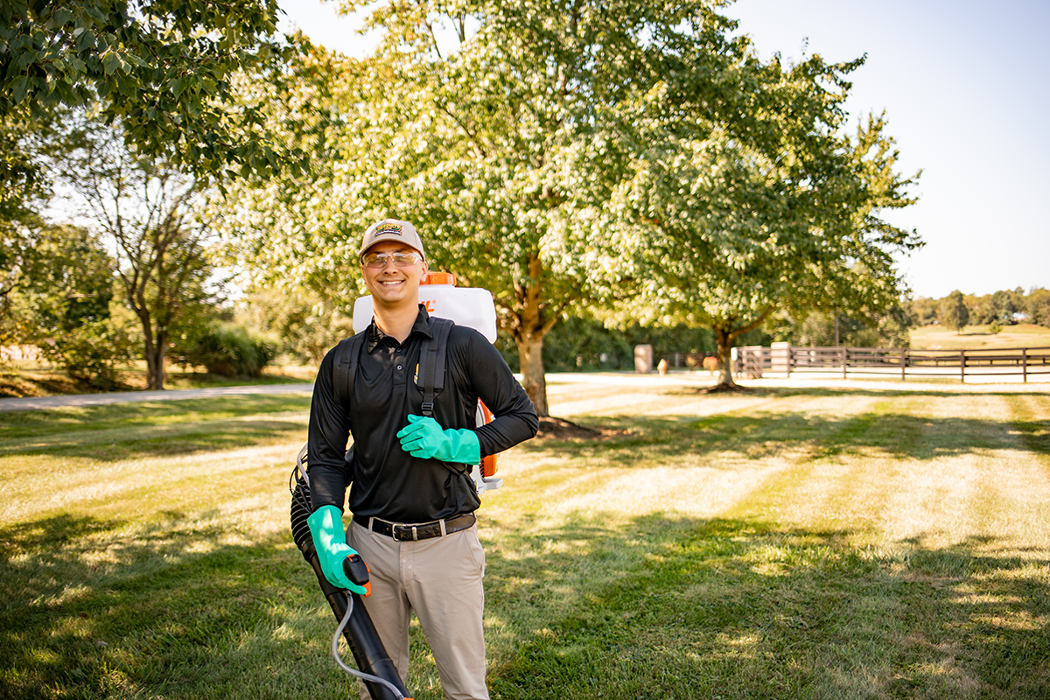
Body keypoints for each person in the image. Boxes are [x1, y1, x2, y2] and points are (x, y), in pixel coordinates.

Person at [306, 219, 538, 700]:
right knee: (381, 690)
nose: (390, 267)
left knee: (466, 691)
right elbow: (326, 458)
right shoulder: (342, 362)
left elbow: (523, 416)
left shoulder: (463, 344)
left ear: (421, 267)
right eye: (377, 258)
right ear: (365, 271)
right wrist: (328, 534)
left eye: (402, 256)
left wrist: (456, 443)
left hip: (447, 545)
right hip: (369, 546)